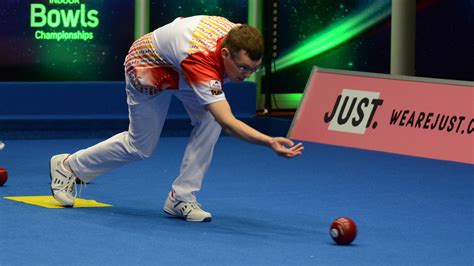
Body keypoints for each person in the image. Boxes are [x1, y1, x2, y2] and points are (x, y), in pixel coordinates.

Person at [49, 15, 303, 222]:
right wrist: (269, 142)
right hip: (148, 67)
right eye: (243, 68)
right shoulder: (201, 60)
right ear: (226, 53)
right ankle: (69, 166)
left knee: (209, 120)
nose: (247, 74)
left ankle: (181, 197)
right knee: (141, 147)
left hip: (179, 63)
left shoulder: (238, 37)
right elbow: (228, 121)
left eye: (253, 68)